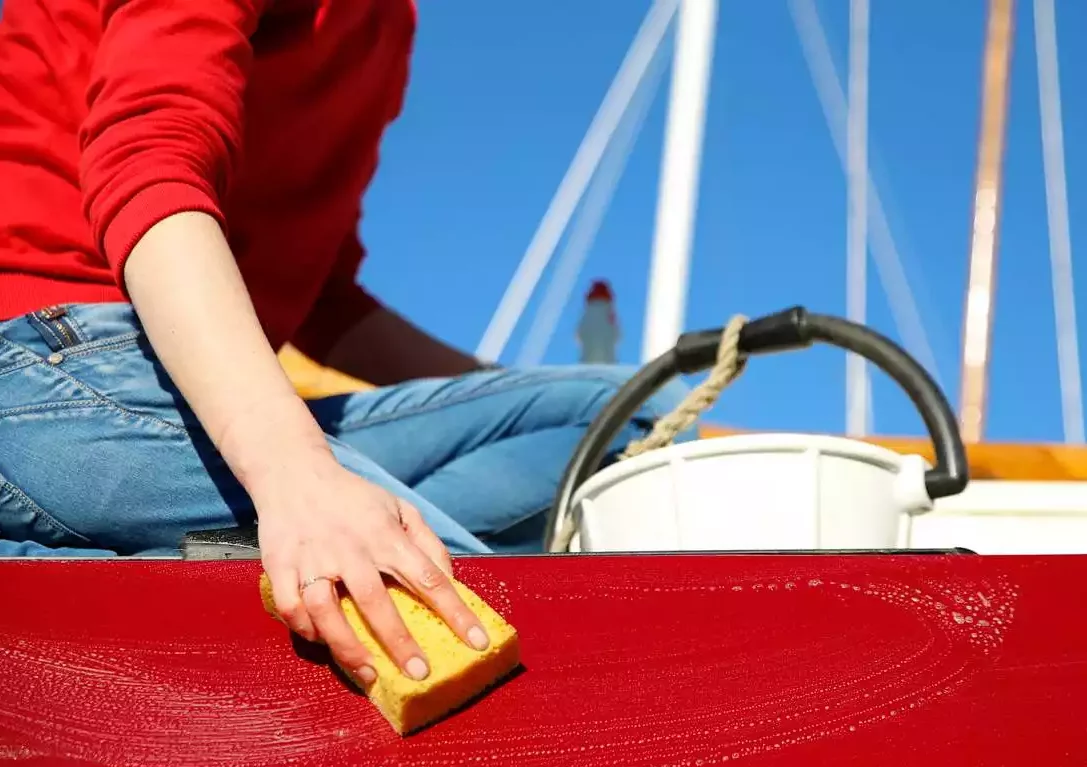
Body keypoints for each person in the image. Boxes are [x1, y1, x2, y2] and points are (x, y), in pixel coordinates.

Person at [0, 2, 688, 687]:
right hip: (43, 358)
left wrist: (478, 406)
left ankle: (179, 563)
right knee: (483, 628)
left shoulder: (386, 25)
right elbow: (146, 162)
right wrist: (296, 477)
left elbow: (324, 300)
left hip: (187, 393)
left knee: (620, 411)